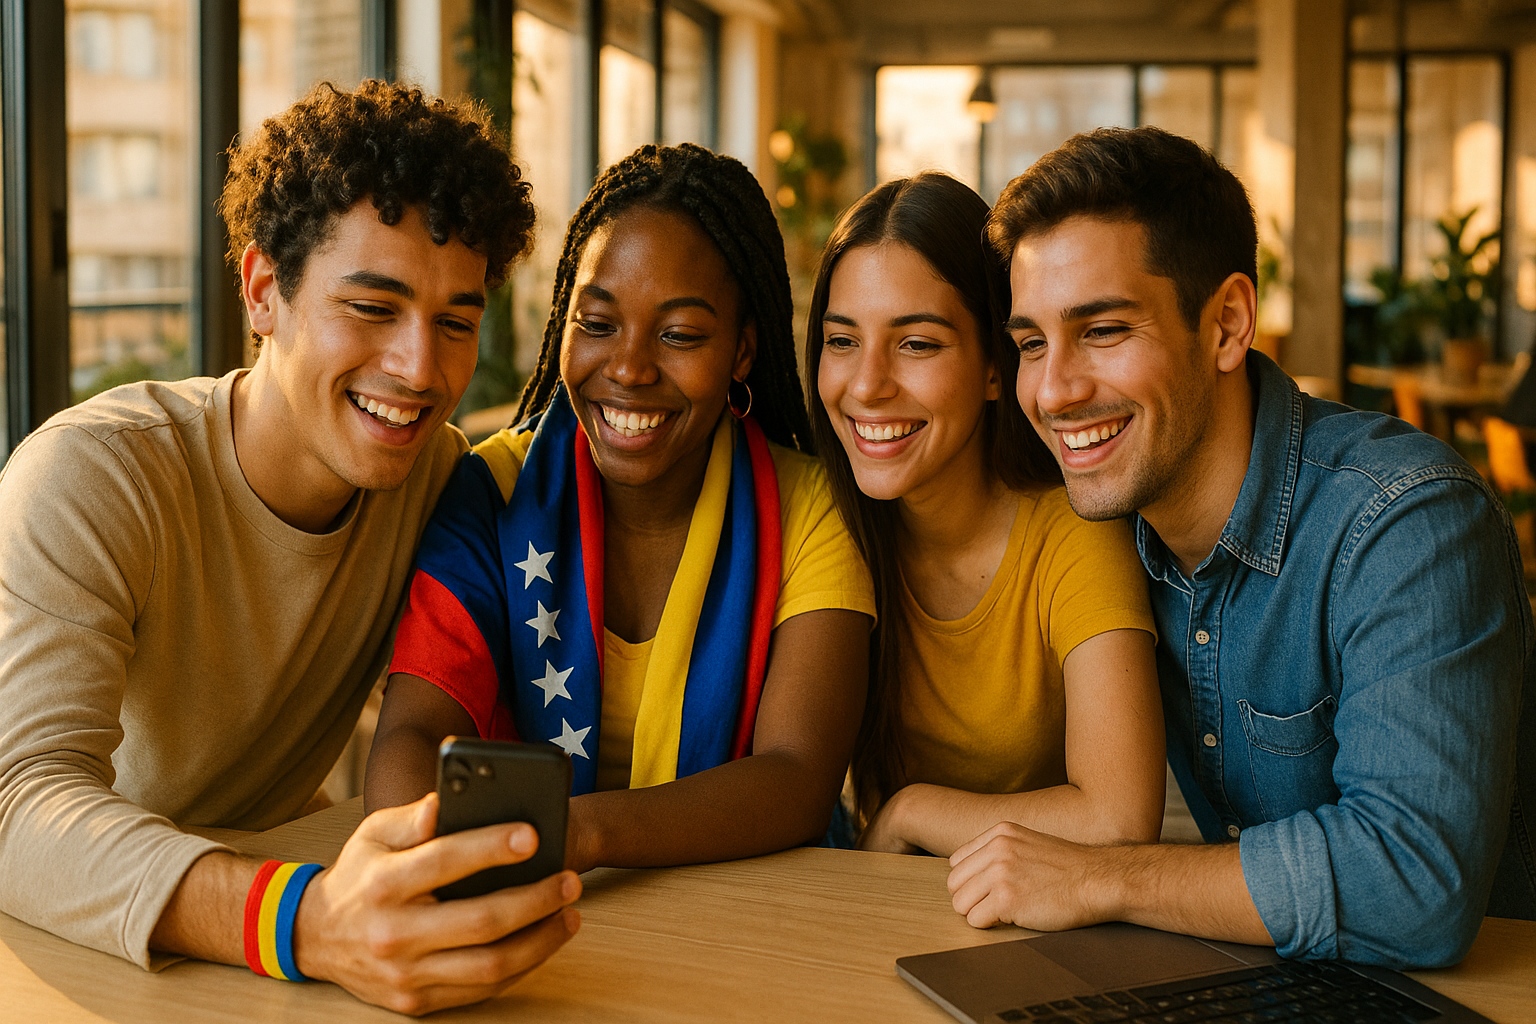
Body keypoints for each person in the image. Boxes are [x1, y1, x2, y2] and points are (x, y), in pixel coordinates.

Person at [0, 80, 584, 1015]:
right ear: (263, 290)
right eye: (372, 307)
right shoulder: (91, 478)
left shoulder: (439, 483)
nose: (420, 368)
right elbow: (15, 807)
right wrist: (307, 921)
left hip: (244, 966)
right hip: (60, 949)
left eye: (457, 323)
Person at [952, 125, 1536, 968]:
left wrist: (1105, 880)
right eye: (1032, 342)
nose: (1053, 390)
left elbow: (1413, 883)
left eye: (1104, 330)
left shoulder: (1405, 521)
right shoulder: (1112, 528)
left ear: (1227, 323)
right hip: (1281, 981)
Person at [363, 143, 876, 872]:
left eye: (679, 335)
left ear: (741, 350)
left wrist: (570, 834)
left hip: (754, 911)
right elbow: (413, 734)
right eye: (597, 325)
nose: (630, 369)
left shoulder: (812, 507)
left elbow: (797, 777)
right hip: (524, 901)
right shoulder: (493, 490)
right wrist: (421, 863)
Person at [801, 172, 1165, 856]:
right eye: (842, 341)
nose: (868, 386)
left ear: (995, 366)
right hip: (867, 905)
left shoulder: (1072, 533)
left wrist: (911, 814)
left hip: (1033, 922)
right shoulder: (826, 522)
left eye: (917, 344)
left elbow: (1118, 816)